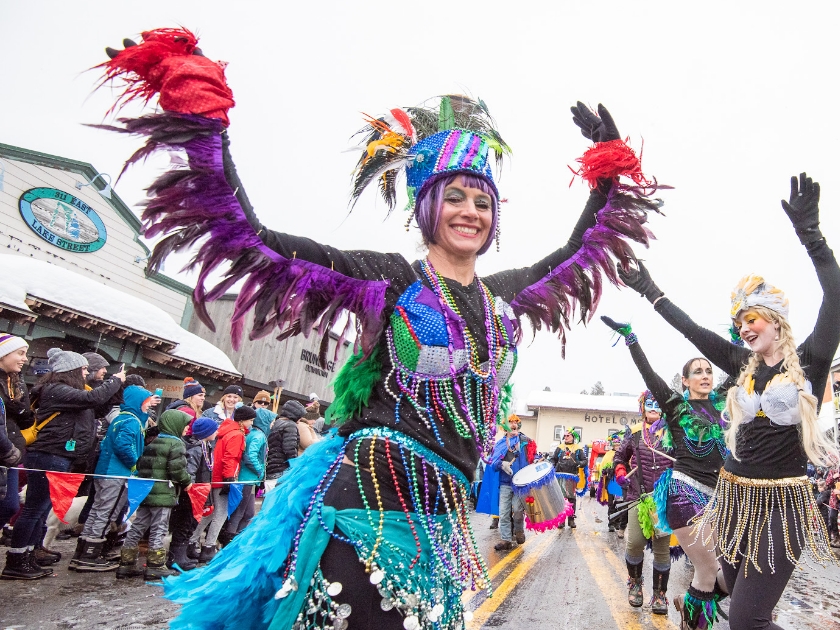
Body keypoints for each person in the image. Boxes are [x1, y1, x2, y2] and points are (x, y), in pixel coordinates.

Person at [100, 30, 661, 628]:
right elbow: (255, 239)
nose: (471, 211)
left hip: (443, 519)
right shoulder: (390, 279)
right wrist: (204, 123)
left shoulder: (500, 296)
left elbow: (580, 250)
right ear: (427, 207)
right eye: (456, 197)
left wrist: (605, 175)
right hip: (366, 504)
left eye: (483, 201)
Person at [614, 172, 840, 630]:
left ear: (776, 321)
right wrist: (650, 291)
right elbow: (692, 330)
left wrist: (811, 236)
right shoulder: (742, 365)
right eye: (739, 321)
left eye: (752, 318)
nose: (743, 327)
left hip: (783, 506)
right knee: (727, 591)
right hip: (735, 501)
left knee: (747, 620)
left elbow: (836, 295)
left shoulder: (812, 360)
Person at [599, 316, 731, 628]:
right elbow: (649, 373)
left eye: (709, 369)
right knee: (708, 569)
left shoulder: (724, 403)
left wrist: (739, 339)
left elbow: (743, 370)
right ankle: (667, 601)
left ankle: (688, 601)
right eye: (697, 371)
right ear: (684, 381)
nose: (705, 374)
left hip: (718, 496)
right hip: (684, 494)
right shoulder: (676, 407)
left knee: (727, 573)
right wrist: (631, 338)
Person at [1, 349, 125, 580]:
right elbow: (93, 399)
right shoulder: (56, 390)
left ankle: (29, 554)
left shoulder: (71, 393)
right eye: (83, 369)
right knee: (33, 509)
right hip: (48, 454)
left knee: (41, 509)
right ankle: (16, 559)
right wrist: (115, 381)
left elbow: (98, 407)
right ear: (71, 371)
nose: (87, 373)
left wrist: (116, 392)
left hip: (59, 455)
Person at [70, 385, 158, 571]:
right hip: (117, 473)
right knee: (107, 512)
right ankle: (91, 554)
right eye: (146, 403)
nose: (148, 407)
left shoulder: (120, 418)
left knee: (97, 509)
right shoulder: (132, 421)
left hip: (104, 471)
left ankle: (83, 550)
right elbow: (124, 445)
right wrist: (135, 464)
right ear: (138, 403)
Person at [614, 391, 675, 613]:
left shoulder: (671, 433)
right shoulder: (635, 434)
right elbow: (619, 457)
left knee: (661, 548)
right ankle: (636, 584)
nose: (652, 406)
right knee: (635, 543)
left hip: (663, 500)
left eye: (657, 403)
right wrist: (620, 471)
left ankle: (659, 595)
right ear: (642, 407)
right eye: (648, 403)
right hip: (637, 497)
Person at [117, 408, 192, 580]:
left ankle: (126, 563)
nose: (187, 429)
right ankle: (155, 565)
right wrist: (187, 482)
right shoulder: (176, 444)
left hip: (147, 493)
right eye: (185, 425)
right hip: (163, 494)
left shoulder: (152, 442)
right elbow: (177, 470)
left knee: (138, 526)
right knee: (159, 528)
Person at [199, 405, 254, 560]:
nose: (251, 423)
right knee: (221, 514)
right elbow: (231, 458)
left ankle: (192, 541)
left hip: (216, 476)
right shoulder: (237, 435)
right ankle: (208, 547)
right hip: (224, 478)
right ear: (242, 421)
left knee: (210, 514)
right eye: (250, 420)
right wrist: (229, 480)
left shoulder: (227, 431)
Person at [479, 415, 536, 551]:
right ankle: (506, 539)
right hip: (505, 483)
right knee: (504, 513)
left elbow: (534, 456)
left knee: (517, 510)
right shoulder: (500, 444)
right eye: (510, 422)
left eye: (516, 422)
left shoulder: (525, 442)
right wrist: (502, 464)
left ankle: (519, 531)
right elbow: (492, 464)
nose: (513, 424)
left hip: (520, 484)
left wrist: (539, 461)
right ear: (505, 427)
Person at [170, 415, 218, 571]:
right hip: (190, 493)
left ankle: (183, 553)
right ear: (206, 433)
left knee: (191, 523)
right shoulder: (196, 449)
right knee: (183, 524)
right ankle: (176, 557)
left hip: (200, 492)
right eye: (214, 430)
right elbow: (190, 470)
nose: (216, 432)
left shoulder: (206, 446)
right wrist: (189, 488)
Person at [0, 335, 31, 543]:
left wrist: (20, 404)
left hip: (11, 453)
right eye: (20, 353)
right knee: (7, 504)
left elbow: (27, 419)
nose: (25, 359)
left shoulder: (17, 384)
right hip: (5, 450)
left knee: (10, 505)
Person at [225, 406, 272, 538]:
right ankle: (230, 538)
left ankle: (236, 537)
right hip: (247, 478)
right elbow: (250, 456)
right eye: (271, 421)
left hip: (249, 478)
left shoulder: (252, 433)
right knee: (240, 512)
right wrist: (260, 471)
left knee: (248, 512)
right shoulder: (258, 436)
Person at [550, 428, 588, 529]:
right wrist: (552, 466)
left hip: (572, 476)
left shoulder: (578, 449)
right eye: (565, 436)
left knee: (571, 498)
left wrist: (579, 464)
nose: (565, 437)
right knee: (561, 498)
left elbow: (584, 461)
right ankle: (561, 520)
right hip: (560, 475)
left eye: (568, 436)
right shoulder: (560, 447)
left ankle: (571, 519)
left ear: (573, 437)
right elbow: (553, 459)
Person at [265, 399, 307, 489]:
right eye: (300, 416)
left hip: (271, 468)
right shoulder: (290, 425)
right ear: (294, 415)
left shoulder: (276, 423)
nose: (300, 420)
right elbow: (289, 449)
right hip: (282, 469)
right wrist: (295, 466)